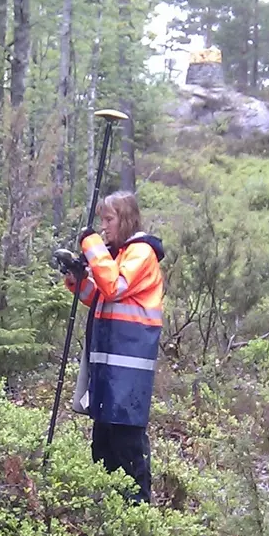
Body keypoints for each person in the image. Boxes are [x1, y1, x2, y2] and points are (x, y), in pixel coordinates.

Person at [62, 191, 165, 504]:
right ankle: (108, 515)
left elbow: (115, 287)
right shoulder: (119, 254)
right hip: (108, 370)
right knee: (103, 444)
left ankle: (137, 515)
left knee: (127, 446)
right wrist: (76, 278)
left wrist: (91, 245)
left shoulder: (141, 253)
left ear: (126, 219)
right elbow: (99, 298)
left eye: (109, 219)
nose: (103, 227)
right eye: (101, 220)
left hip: (129, 370)